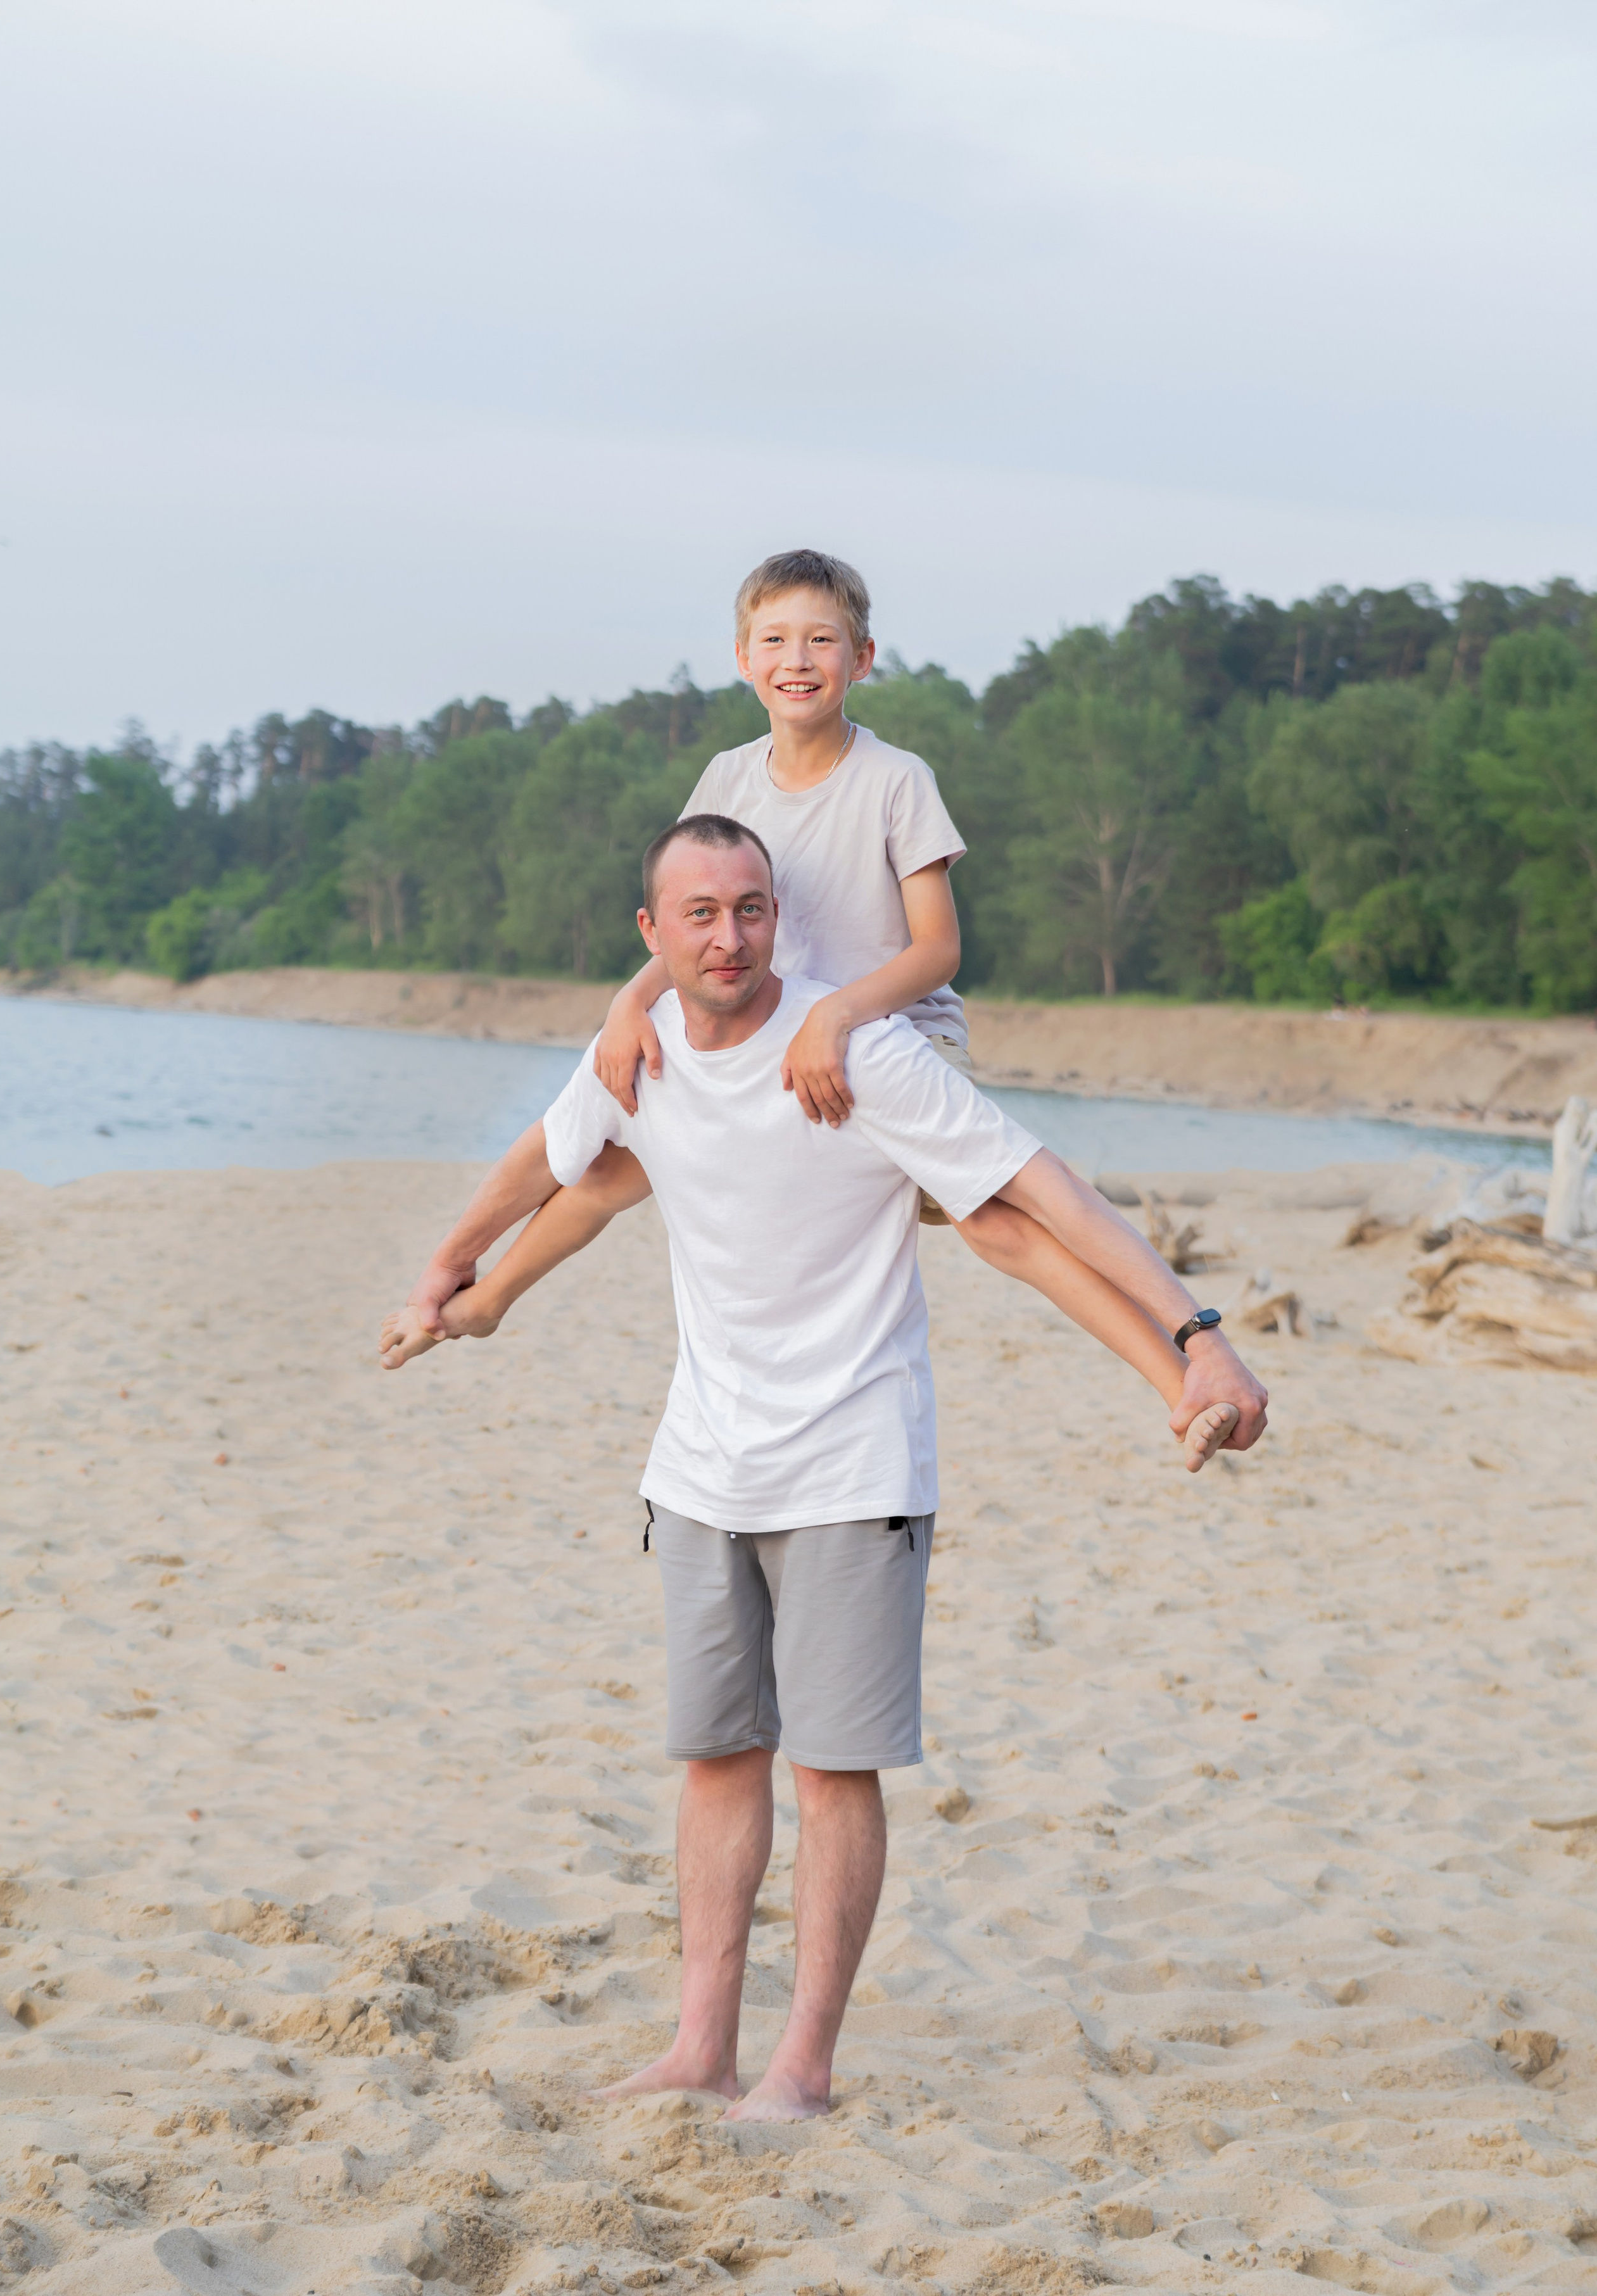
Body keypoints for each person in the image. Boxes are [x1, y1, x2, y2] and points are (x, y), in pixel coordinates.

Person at [381, 815, 1268, 2121]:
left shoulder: (862, 1057)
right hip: (698, 1468)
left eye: (749, 908)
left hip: (854, 1464)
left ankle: (801, 2062)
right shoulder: (638, 1053)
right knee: (715, 1757)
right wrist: (450, 1274)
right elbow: (553, 1163)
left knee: (829, 1771)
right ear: (651, 935)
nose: (727, 934)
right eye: (698, 913)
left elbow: (1038, 1198)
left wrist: (1195, 1337)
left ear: (777, 918)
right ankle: (698, 2044)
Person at [403, 546, 1267, 1461]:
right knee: (620, 1157)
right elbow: (696, 911)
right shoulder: (728, 777)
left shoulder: (896, 779)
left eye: (822, 639)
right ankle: (483, 1292)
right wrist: (628, 1003)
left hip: (889, 1035)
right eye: (775, 639)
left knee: (1000, 1222)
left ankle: (1184, 1375)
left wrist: (840, 1014)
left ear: (861, 658)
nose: (798, 659)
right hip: (767, 1031)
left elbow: (939, 946)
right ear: (743, 658)